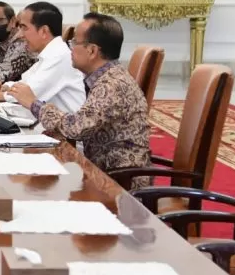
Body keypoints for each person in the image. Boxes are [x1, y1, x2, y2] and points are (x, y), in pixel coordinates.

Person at [9, 13, 151, 186]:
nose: (71, 48)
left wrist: (34, 104)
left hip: (121, 183)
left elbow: (76, 128)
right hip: (102, 171)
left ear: (92, 51)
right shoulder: (104, 77)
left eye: (75, 42)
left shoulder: (112, 85)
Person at [0, 2, 86, 114]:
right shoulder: (49, 55)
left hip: (65, 129)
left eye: (24, 28)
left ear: (43, 31)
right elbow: (23, 83)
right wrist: (3, 86)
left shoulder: (60, 56)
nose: (20, 35)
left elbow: (27, 95)